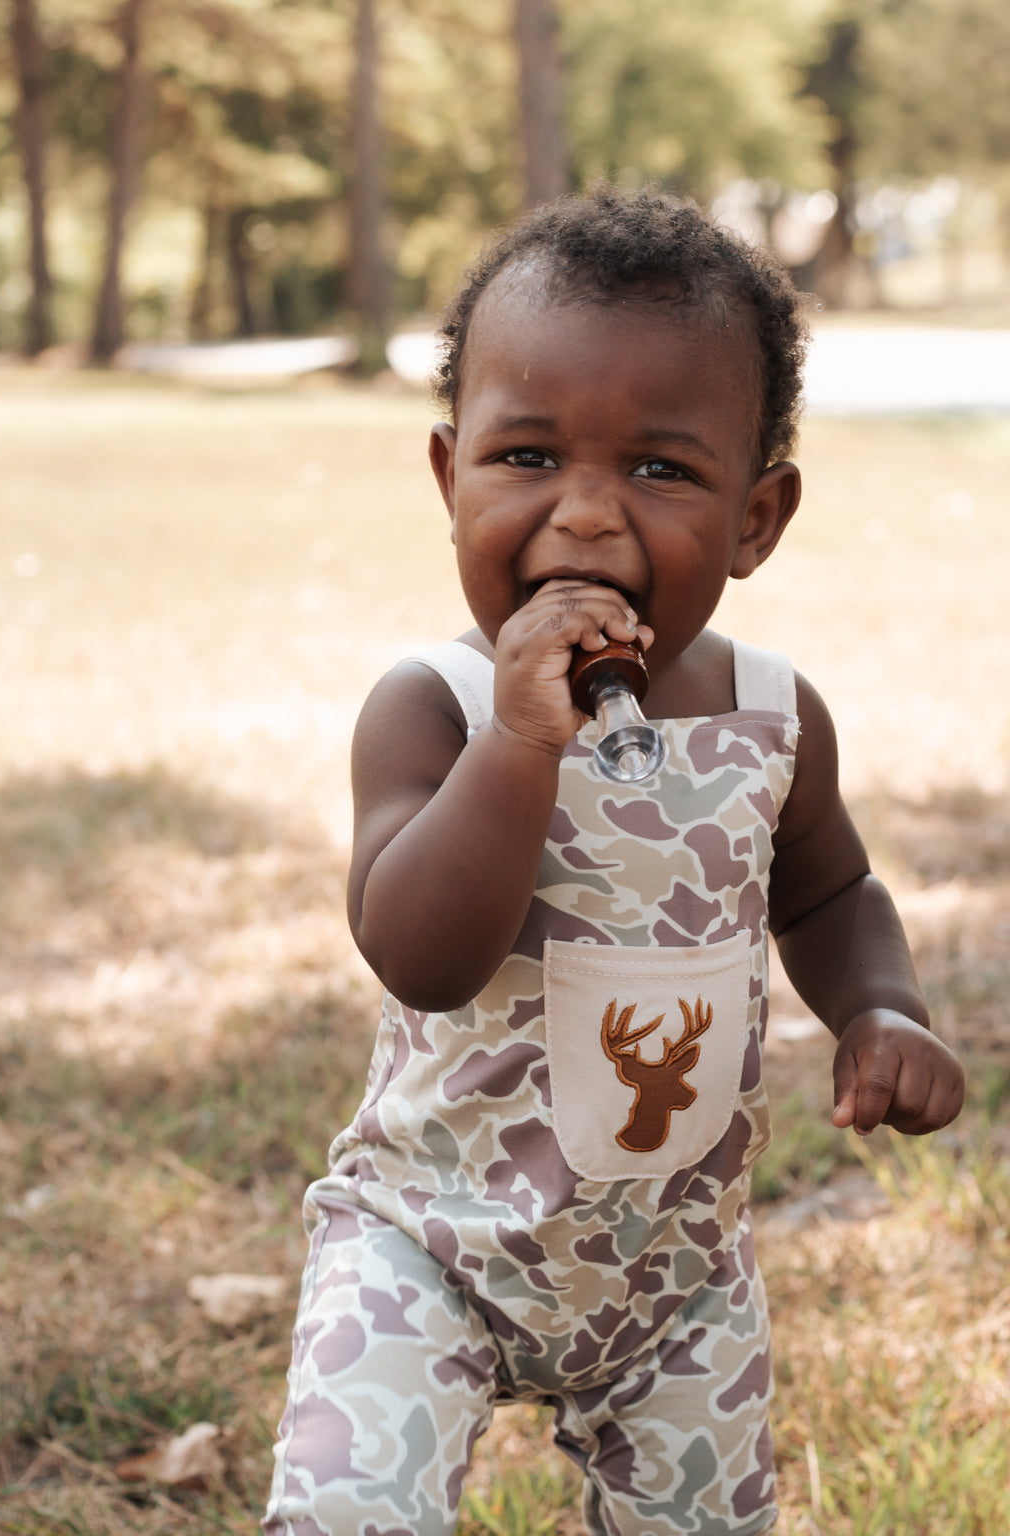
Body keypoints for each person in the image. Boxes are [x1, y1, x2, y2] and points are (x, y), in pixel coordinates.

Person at [263, 185, 964, 1536]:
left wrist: (881, 1006)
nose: (584, 520)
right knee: (353, 1510)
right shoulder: (434, 710)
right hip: (428, 1243)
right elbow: (420, 953)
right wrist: (523, 744)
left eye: (658, 470)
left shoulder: (773, 715)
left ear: (758, 518)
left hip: (672, 1272)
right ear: (447, 474)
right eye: (525, 457)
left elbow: (829, 891)